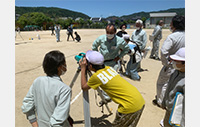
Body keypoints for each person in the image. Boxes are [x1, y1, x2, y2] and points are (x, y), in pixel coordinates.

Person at [79, 50, 145, 127]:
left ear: (90, 66)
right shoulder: (109, 68)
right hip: (139, 100)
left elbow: (84, 87)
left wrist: (83, 69)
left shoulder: (96, 77)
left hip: (129, 107)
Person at [21, 50, 72, 127]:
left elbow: (27, 105)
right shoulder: (64, 89)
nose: (65, 66)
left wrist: (35, 124)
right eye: (64, 64)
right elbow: (58, 121)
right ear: (59, 67)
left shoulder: (38, 81)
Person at [152, 15, 185, 107]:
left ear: (174, 25)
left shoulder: (172, 37)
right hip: (183, 65)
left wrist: (167, 62)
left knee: (162, 83)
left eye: (171, 23)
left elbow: (164, 51)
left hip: (172, 65)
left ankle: (161, 101)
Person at [161, 47, 185, 127]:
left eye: (176, 61)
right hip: (169, 109)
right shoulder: (175, 72)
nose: (172, 62)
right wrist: (164, 101)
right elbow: (168, 88)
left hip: (178, 115)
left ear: (184, 63)